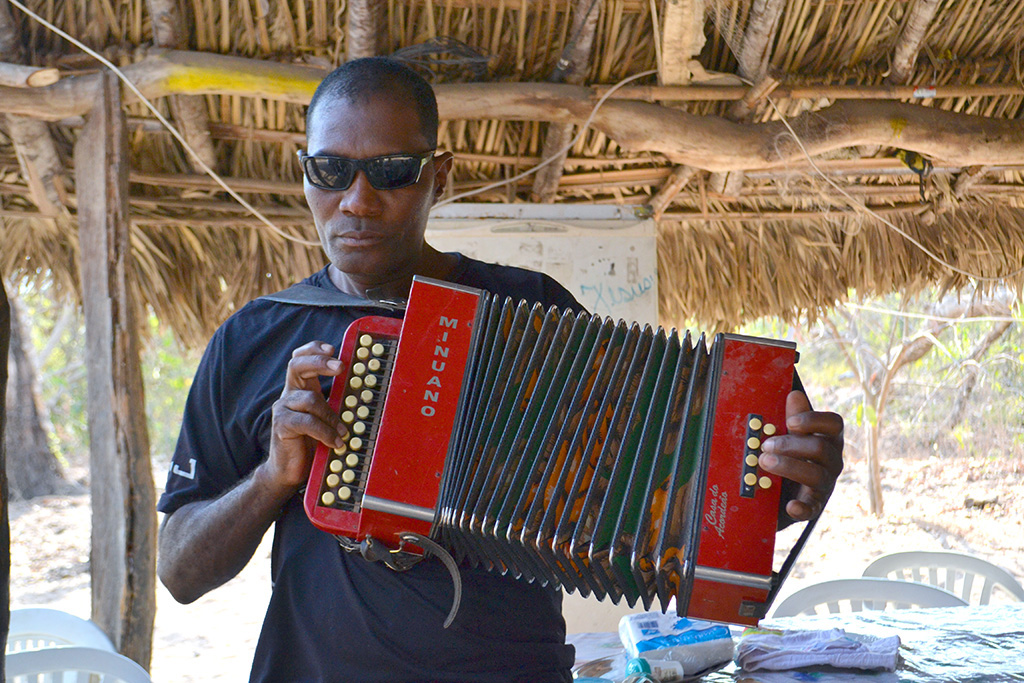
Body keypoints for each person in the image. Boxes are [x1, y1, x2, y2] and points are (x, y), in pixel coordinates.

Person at [157, 57, 845, 683]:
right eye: (331, 171)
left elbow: (669, 502)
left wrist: (784, 481)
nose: (358, 200)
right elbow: (179, 571)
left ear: (441, 174)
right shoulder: (252, 337)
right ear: (303, 170)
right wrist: (272, 478)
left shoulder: (529, 307)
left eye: (393, 170)